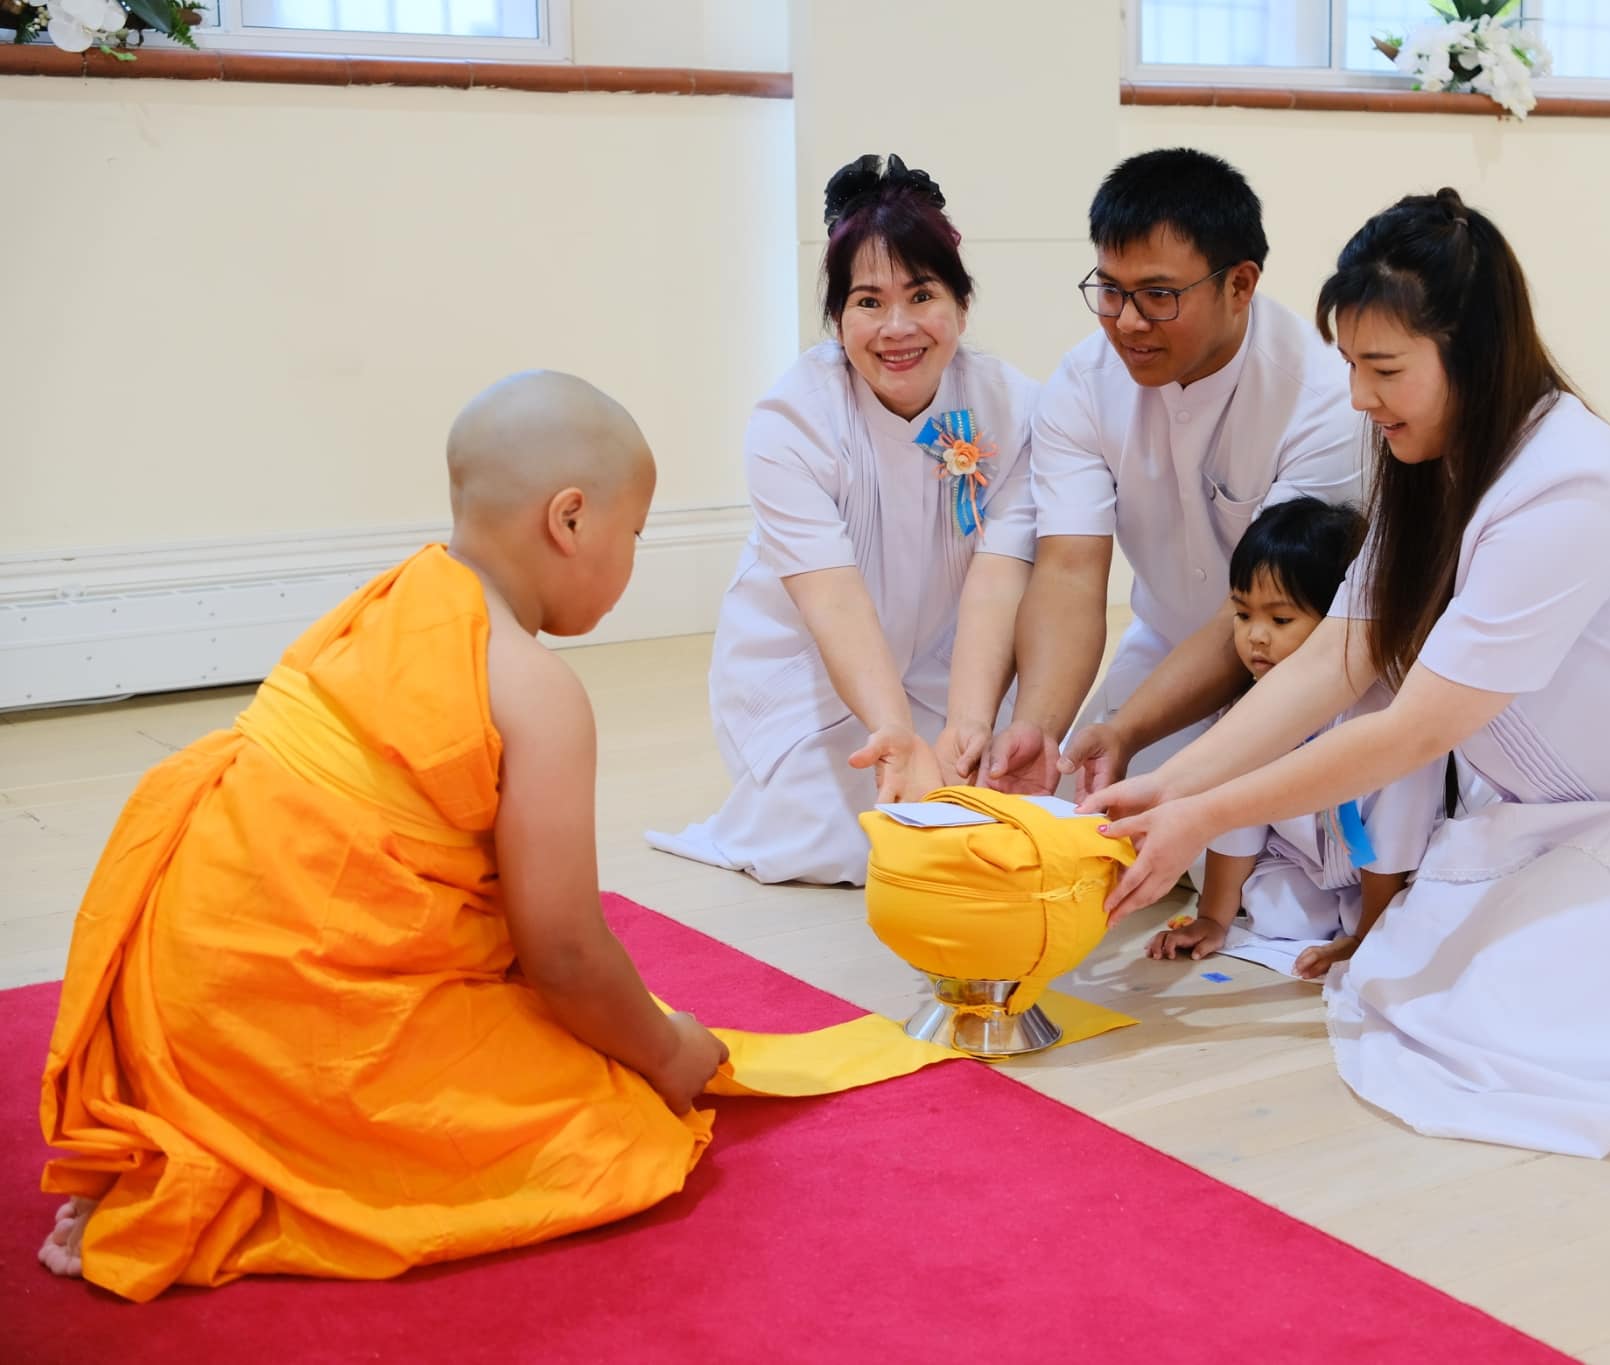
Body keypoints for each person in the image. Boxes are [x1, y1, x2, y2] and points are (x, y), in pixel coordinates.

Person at [1087, 189, 1610, 1159]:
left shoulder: (1569, 484)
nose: (1359, 397)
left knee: (1498, 1026)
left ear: (1471, 357)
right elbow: (1336, 656)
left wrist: (1203, 813)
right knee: (1416, 976)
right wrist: (1170, 782)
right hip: (1601, 806)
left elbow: (1414, 730)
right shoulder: (1427, 465)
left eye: (1383, 369)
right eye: (1350, 365)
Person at [38, 372, 730, 1300]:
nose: (635, 557)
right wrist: (665, 1050)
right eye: (636, 533)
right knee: (611, 1125)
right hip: (286, 1026)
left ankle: (196, 1133)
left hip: (181, 998)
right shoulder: (535, 689)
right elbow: (563, 952)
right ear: (570, 521)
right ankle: (239, 1169)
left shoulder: (383, 604)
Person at [648, 154, 1038, 885]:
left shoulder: (1012, 407)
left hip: (950, 666)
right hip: (807, 675)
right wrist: (893, 731)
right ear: (836, 318)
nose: (897, 327)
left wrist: (969, 720)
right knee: (844, 839)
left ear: (961, 304)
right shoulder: (793, 417)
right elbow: (830, 595)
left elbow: (998, 579)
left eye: (921, 294)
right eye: (867, 302)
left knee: (1012, 806)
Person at [983, 147, 1361, 802]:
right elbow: (1070, 570)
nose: (1127, 322)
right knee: (1085, 805)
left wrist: (1129, 727)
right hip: (1165, 645)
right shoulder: (1082, 383)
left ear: (1240, 285)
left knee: (1246, 857)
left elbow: (1278, 601)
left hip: (1299, 661)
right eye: (1109, 290)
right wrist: (1038, 726)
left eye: (1158, 295)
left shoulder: (1323, 395)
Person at [1143, 498, 1439, 979]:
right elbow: (1233, 816)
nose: (1255, 637)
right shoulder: (1249, 710)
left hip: (1392, 872)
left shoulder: (1388, 715)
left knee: (1418, 924)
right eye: (1242, 616)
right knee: (1279, 917)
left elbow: (1398, 831)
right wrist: (1214, 918)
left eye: (1280, 621)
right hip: (1300, 859)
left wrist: (1367, 936)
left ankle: (1370, 926)